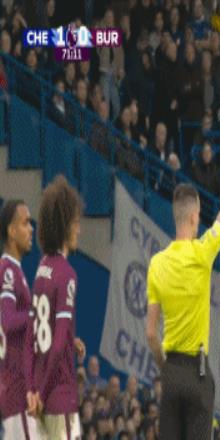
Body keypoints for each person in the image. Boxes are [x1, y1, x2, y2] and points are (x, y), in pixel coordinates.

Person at [145, 104, 220, 440]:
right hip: (197, 370)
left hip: (172, 371)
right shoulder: (202, 252)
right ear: (194, 217)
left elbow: (150, 334)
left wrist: (165, 368)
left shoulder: (157, 264)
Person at [24, 175, 86, 439]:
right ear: (65, 226)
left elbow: (33, 336)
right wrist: (43, 391)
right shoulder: (67, 274)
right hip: (59, 396)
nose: (79, 230)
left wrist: (33, 391)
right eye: (76, 223)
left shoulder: (42, 269)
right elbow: (57, 343)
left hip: (41, 402)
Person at [0, 200, 40, 439]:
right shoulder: (7, 270)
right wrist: (37, 313)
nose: (31, 229)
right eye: (25, 223)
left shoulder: (15, 270)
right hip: (17, 391)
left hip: (19, 390)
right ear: (11, 231)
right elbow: (7, 320)